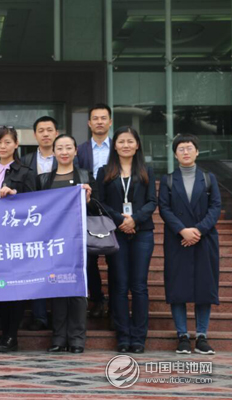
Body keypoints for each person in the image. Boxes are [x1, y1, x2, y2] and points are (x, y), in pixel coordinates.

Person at [158, 134, 221, 355]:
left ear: (197, 151)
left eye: (189, 148)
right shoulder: (168, 180)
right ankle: (182, 336)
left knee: (204, 287)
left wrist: (198, 230)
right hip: (177, 240)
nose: (185, 152)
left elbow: (215, 207)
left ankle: (202, 336)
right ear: (175, 154)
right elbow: (164, 208)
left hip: (205, 239)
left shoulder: (209, 178)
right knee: (178, 288)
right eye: (181, 149)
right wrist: (182, 230)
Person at [97, 126, 157, 354]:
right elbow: (100, 202)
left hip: (142, 233)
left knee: (139, 286)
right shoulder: (104, 171)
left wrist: (135, 220)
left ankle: (139, 338)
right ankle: (123, 337)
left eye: (130, 141)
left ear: (137, 145)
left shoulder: (146, 170)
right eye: (121, 141)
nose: (126, 145)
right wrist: (121, 220)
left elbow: (152, 201)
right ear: (114, 145)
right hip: (116, 232)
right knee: (120, 285)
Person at [37, 134, 96, 354]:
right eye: (59, 148)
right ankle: (59, 338)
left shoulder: (85, 176)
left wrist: (88, 200)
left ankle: (77, 339)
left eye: (68, 147)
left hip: (78, 240)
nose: (64, 152)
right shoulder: (44, 179)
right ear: (53, 152)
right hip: (53, 241)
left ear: (75, 151)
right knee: (57, 287)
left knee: (78, 290)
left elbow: (97, 207)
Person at [0, 126, 36, 352]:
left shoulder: (26, 172)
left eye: (8, 142)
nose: (3, 146)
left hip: (16, 237)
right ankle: (3, 334)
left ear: (16, 145)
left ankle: (12, 336)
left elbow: (34, 204)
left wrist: (15, 195)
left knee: (14, 287)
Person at [20, 116, 60, 331]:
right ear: (35, 135)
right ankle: (39, 317)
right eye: (41, 130)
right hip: (33, 224)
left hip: (59, 223)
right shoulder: (25, 160)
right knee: (36, 269)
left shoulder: (65, 157)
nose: (45, 134)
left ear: (56, 133)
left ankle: (59, 317)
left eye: (49, 130)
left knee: (58, 269)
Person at [76, 104, 113, 318]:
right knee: (89, 260)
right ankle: (97, 298)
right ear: (89, 123)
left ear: (110, 122)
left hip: (113, 209)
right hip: (88, 209)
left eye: (103, 118)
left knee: (114, 259)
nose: (99, 122)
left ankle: (115, 305)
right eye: (95, 118)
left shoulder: (118, 148)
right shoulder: (80, 150)